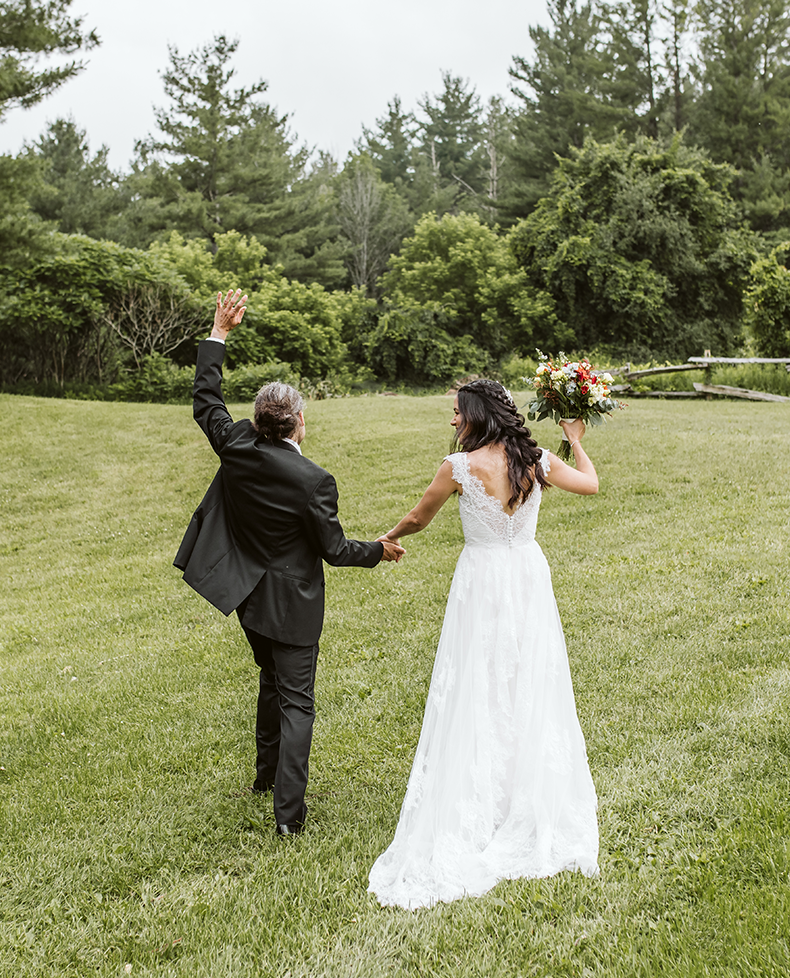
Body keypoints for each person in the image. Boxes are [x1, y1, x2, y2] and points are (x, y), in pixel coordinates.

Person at [175, 289, 405, 836]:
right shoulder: (313, 480)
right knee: (298, 702)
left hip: (250, 599)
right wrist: (380, 550)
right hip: (293, 607)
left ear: (257, 422)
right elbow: (335, 549)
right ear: (298, 422)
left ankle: (265, 777)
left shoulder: (235, 445)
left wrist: (220, 332)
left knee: (271, 682)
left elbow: (205, 401)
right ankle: (288, 820)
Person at [367, 378, 602, 908]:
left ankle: (485, 799)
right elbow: (590, 483)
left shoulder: (457, 468)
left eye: (456, 412)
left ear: (475, 415)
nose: (452, 420)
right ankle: (521, 794)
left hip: (481, 581)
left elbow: (417, 518)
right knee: (526, 677)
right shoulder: (536, 460)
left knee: (478, 680)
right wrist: (575, 437)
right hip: (527, 577)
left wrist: (388, 539)